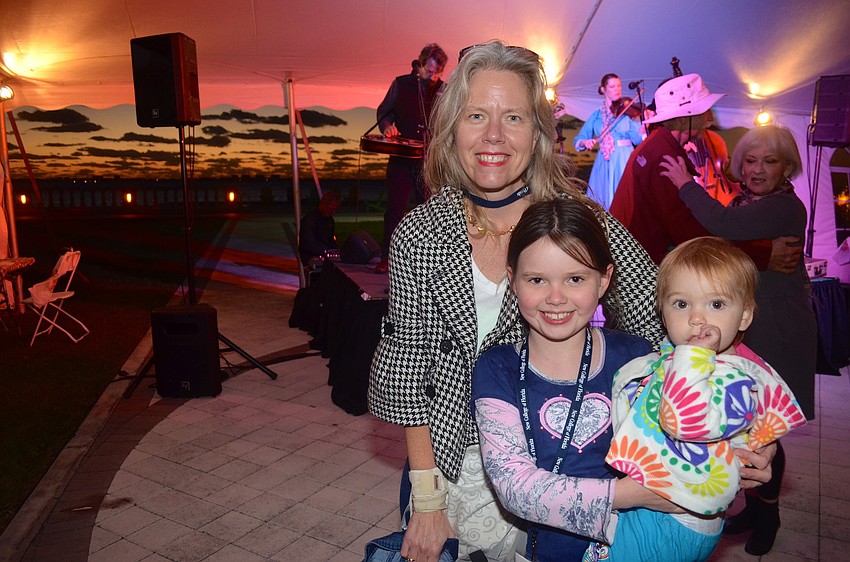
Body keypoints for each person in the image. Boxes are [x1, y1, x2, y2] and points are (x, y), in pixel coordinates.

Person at [368, 41, 775, 562]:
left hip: (562, 468)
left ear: (538, 133)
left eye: (513, 117)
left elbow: (679, 322)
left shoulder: (579, 222)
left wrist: (749, 425)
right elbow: (409, 374)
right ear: (451, 130)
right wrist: (427, 501)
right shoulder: (420, 235)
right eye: (476, 115)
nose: (494, 136)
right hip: (448, 465)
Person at [471, 197, 679, 562]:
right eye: (537, 280)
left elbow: (690, 431)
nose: (556, 298)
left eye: (575, 279)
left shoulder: (637, 358)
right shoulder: (497, 368)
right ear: (513, 280)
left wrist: (743, 448)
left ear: (604, 280)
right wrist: (636, 494)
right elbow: (515, 488)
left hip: (640, 547)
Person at [659, 124, 817, 555]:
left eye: (770, 161)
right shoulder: (751, 201)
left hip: (780, 327)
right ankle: (753, 508)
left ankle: (769, 515)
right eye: (750, 160)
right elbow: (730, 243)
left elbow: (722, 224)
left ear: (787, 167)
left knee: (765, 428)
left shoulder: (783, 206)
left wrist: (685, 183)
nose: (758, 169)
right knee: (746, 423)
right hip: (758, 322)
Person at [605, 236, 807, 561]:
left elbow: (684, 421)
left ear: (744, 316)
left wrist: (694, 356)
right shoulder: (677, 358)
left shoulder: (735, 379)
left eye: (716, 305)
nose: (697, 318)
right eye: (681, 304)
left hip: (681, 520)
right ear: (662, 311)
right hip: (654, 499)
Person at [609, 73, 801, 273]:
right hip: (638, 270)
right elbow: (687, 232)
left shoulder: (659, 147)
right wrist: (762, 255)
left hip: (637, 263)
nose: (710, 118)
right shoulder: (663, 157)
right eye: (704, 111)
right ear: (683, 119)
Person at [374, 43, 448, 273]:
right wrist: (387, 126)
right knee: (395, 210)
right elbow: (384, 112)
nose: (433, 77)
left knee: (428, 211)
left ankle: (423, 260)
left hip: (428, 161)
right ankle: (387, 258)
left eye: (437, 73)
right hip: (401, 159)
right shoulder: (401, 84)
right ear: (420, 65)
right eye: (429, 71)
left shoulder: (444, 90)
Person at [574, 73, 645, 210]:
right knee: (603, 201)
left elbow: (637, 139)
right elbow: (580, 138)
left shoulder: (628, 112)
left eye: (619, 86)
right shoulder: (596, 115)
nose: (617, 89)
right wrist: (585, 142)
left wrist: (642, 126)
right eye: (612, 86)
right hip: (604, 161)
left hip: (624, 158)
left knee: (626, 199)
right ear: (603, 89)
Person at [298, 190, 341, 267]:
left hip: (324, 253)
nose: (333, 212)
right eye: (331, 209)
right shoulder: (310, 220)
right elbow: (309, 243)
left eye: (335, 209)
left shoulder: (330, 220)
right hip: (310, 255)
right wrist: (326, 252)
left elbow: (331, 240)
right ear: (323, 204)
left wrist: (336, 252)